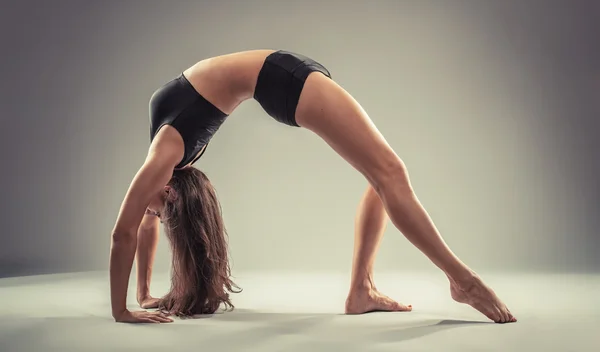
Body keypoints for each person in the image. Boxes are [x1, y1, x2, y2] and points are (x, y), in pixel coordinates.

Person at [109, 49, 517, 324]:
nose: (150, 216)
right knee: (388, 174)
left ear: (170, 193)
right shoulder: (171, 160)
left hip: (283, 78)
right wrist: (141, 296)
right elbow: (142, 226)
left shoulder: (165, 155)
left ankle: (413, 285)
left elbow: (123, 232)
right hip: (284, 78)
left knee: (385, 178)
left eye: (156, 213)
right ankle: (412, 285)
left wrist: (120, 311)